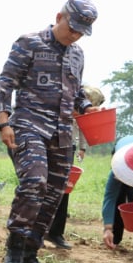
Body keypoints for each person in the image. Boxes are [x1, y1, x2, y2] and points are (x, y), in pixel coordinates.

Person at [0, 0, 99, 263]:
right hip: (29, 125)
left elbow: (77, 91)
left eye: (81, 31)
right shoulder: (29, 42)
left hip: (63, 134)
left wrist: (88, 107)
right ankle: (14, 252)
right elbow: (6, 83)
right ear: (59, 17)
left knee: (53, 195)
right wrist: (4, 122)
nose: (75, 35)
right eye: (72, 27)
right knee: (34, 183)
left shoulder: (78, 54)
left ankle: (30, 255)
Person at [46, 85, 105, 249]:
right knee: (41, 185)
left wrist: (82, 148)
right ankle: (32, 231)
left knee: (64, 189)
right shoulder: (60, 97)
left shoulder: (82, 109)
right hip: (47, 140)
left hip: (67, 146)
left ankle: (55, 232)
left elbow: (83, 128)